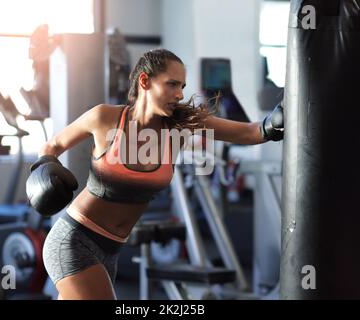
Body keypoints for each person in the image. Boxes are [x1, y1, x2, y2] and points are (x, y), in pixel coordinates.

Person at [26, 49, 283, 300]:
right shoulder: (105, 117)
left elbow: (251, 132)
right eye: (172, 84)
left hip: (111, 250)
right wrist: (45, 167)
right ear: (145, 81)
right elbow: (52, 145)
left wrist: (278, 119)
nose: (180, 94)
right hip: (74, 240)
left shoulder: (181, 124)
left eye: (182, 85)